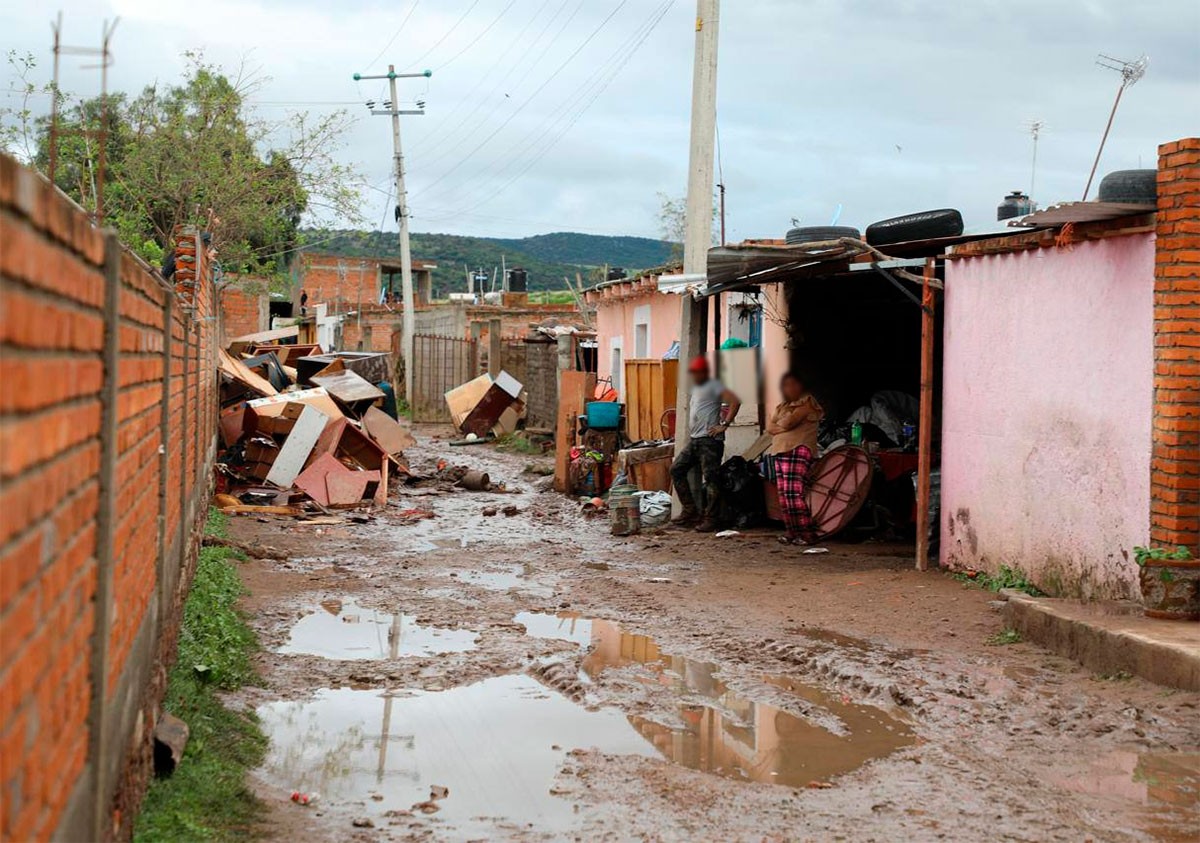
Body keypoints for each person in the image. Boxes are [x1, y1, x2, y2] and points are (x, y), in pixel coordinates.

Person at [670, 356, 741, 532]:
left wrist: (724, 425)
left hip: (709, 441)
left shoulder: (714, 385)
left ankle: (712, 518)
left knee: (711, 479)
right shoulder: (698, 387)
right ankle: (690, 511)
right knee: (676, 469)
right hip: (696, 439)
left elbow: (735, 400)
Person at [765, 372, 824, 544]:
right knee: (783, 494)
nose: (789, 388)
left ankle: (806, 533)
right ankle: (791, 531)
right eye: (786, 385)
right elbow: (770, 426)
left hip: (798, 449)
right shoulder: (783, 405)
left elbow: (788, 422)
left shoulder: (807, 403)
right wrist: (779, 426)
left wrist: (779, 426)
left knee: (793, 493)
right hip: (781, 450)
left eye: (793, 384)